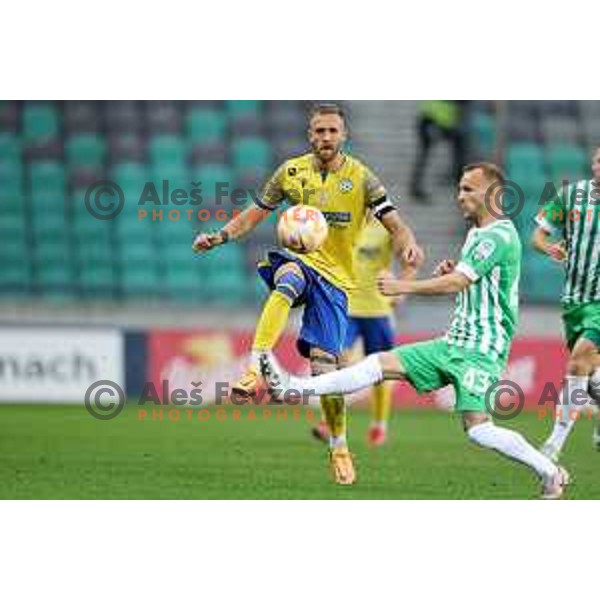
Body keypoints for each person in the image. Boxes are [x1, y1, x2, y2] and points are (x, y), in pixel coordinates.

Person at [261, 162, 570, 499]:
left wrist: (403, 287)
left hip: (481, 350)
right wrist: (452, 272)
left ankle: (550, 471)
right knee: (377, 364)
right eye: (460, 187)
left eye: (469, 189)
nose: (459, 195)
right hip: (454, 342)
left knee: (478, 429)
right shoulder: (478, 234)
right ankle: (292, 387)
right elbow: (474, 281)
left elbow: (457, 282)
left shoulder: (500, 235)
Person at [193, 103, 423, 485]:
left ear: (344, 135)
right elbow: (256, 212)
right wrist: (219, 236)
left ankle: (339, 445)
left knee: (325, 371)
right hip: (301, 262)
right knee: (287, 280)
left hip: (336, 284)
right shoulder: (290, 171)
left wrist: (409, 247)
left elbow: (397, 226)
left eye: (332, 131)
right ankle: (254, 370)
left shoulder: (362, 179)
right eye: (319, 131)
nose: (326, 138)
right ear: (309, 135)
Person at [311, 215, 405, 446]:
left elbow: (407, 253)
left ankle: (379, 425)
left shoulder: (385, 230)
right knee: (337, 360)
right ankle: (328, 421)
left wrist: (401, 283)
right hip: (349, 309)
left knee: (382, 371)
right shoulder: (345, 228)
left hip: (378, 311)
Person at [532, 147, 600, 461]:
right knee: (589, 371)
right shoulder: (571, 195)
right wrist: (549, 249)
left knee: (578, 361)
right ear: (593, 163)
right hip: (574, 300)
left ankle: (553, 445)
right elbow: (538, 236)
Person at [410, 101, 468, 202]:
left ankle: (457, 177)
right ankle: (416, 186)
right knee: (425, 155)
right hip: (433, 121)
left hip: (440, 122)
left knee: (458, 146)